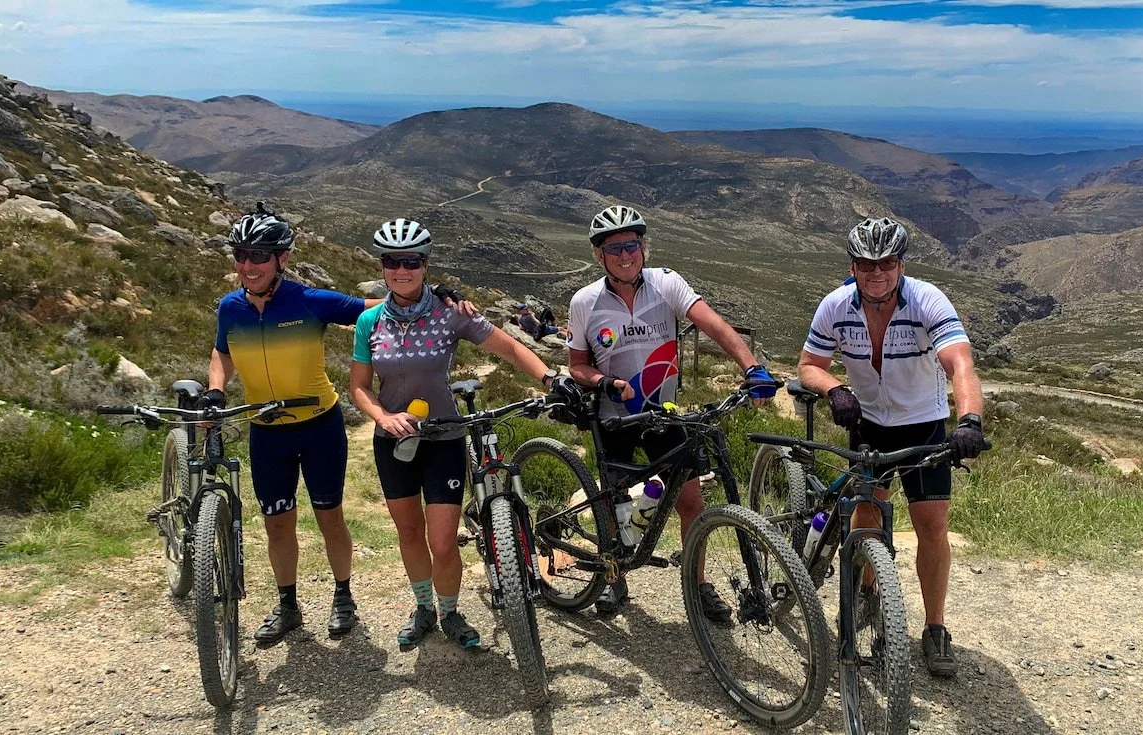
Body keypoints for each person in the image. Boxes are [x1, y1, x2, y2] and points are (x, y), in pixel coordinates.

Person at [204, 204, 466, 645]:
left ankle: (343, 595)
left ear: (281, 259)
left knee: (330, 517)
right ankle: (287, 604)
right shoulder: (230, 308)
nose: (248, 265)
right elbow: (222, 353)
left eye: (260, 256)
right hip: (265, 430)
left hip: (318, 425)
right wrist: (216, 389)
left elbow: (379, 306)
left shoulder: (310, 301)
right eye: (242, 255)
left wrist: (437, 295)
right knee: (277, 523)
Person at [349, 218, 575, 648]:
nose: (402, 270)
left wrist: (549, 378)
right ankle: (423, 609)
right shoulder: (370, 321)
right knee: (409, 534)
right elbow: (358, 387)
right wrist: (381, 417)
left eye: (411, 261)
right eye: (393, 262)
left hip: (445, 439)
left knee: (442, 539)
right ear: (382, 265)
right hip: (392, 442)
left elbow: (507, 347)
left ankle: (449, 611)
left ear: (425, 263)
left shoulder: (451, 313)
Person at [796, 217, 986, 677]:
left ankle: (935, 628)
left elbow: (958, 362)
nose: (876, 272)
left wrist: (970, 421)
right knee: (866, 516)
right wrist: (834, 389)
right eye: (866, 264)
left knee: (932, 526)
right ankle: (867, 592)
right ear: (853, 265)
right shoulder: (836, 305)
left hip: (922, 425)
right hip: (869, 424)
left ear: (900, 264)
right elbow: (807, 365)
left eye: (887, 263)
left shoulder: (926, 300)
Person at [566, 204, 776, 619]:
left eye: (632, 246)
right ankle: (614, 578)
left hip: (663, 412)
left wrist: (752, 367)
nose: (626, 256)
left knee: (691, 502)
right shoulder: (585, 302)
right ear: (598, 255)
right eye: (615, 249)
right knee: (614, 500)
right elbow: (576, 365)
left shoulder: (666, 284)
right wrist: (602, 382)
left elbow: (713, 324)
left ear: (643, 247)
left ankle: (698, 586)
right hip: (615, 415)